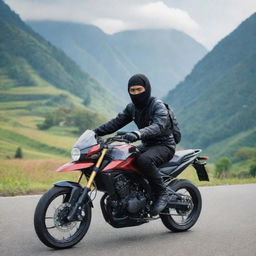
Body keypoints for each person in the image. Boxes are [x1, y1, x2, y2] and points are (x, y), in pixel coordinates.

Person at [94, 74, 176, 215]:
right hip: (147, 144)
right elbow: (115, 123)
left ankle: (163, 193)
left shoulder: (157, 106)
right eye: (132, 90)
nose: (136, 93)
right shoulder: (132, 108)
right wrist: (94, 132)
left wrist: (137, 134)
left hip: (164, 145)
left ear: (147, 88)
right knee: (122, 158)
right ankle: (133, 193)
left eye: (139, 89)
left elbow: (158, 126)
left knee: (143, 160)